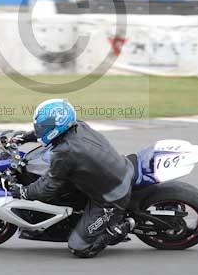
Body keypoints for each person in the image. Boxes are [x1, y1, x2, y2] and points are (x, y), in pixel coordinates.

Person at [9, 99, 135, 258]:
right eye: (39, 126)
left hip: (112, 198)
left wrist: (23, 192)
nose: (39, 129)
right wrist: (27, 137)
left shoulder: (65, 152)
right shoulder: (77, 125)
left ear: (57, 127)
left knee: (79, 247)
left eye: (43, 127)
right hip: (116, 171)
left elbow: (47, 188)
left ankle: (120, 228)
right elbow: (50, 133)